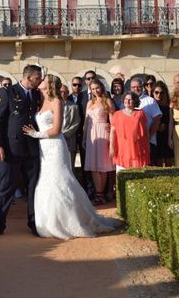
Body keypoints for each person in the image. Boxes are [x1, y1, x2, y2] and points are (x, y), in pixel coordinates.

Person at [22, 74, 119, 239]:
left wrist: (34, 133)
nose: (40, 81)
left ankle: (71, 221)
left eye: (43, 80)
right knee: (46, 182)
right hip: (43, 148)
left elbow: (57, 129)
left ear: (50, 84)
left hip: (55, 146)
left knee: (61, 181)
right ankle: (48, 222)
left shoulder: (57, 102)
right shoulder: (41, 101)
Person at [0, 64, 42, 238]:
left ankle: (34, 223)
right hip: (10, 149)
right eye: (37, 78)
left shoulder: (35, 94)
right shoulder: (8, 92)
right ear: (28, 77)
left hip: (31, 148)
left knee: (33, 188)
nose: (39, 81)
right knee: (6, 187)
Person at [83, 79, 116, 205]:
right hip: (91, 134)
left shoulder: (107, 101)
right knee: (93, 166)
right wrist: (84, 138)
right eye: (92, 88)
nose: (95, 90)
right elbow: (86, 122)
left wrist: (111, 139)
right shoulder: (89, 103)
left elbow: (113, 122)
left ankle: (100, 195)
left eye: (97, 88)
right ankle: (99, 193)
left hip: (103, 132)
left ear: (101, 87)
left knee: (102, 165)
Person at [109, 91, 150, 170]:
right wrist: (111, 147)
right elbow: (112, 131)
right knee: (122, 172)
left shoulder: (141, 113)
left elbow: (146, 130)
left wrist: (148, 144)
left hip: (138, 147)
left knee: (138, 172)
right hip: (122, 147)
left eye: (130, 99)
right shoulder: (117, 114)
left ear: (135, 101)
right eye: (125, 99)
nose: (127, 101)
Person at [130, 77, 162, 163]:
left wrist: (149, 136)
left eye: (138, 86)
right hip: (133, 143)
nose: (136, 89)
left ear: (142, 87)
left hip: (149, 141)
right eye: (133, 87)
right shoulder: (127, 102)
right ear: (130, 88)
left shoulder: (150, 101)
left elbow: (156, 121)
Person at [66, 75, 90, 191]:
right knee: (69, 161)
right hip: (70, 135)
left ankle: (86, 186)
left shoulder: (87, 97)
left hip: (84, 132)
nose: (77, 87)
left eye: (79, 85)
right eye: (74, 85)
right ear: (71, 85)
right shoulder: (67, 98)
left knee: (85, 160)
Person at [151, 82, 174, 167]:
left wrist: (170, 138)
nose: (159, 95)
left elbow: (171, 122)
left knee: (169, 161)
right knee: (158, 162)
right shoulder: (150, 105)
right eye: (156, 92)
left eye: (161, 93)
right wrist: (157, 127)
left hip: (166, 135)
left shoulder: (168, 105)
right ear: (153, 92)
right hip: (155, 136)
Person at [60, 84, 81, 167]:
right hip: (57, 138)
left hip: (70, 139)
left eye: (65, 92)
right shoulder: (52, 105)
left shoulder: (74, 106)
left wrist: (65, 134)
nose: (63, 94)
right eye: (61, 91)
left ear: (68, 93)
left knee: (70, 165)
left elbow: (76, 122)